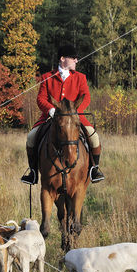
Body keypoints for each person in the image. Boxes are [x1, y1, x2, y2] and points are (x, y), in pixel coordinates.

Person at [21, 44, 105, 185]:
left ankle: (94, 170)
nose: (76, 61)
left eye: (76, 58)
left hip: (76, 118)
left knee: (94, 138)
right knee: (31, 138)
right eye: (73, 58)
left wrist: (75, 112)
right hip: (50, 118)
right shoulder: (47, 77)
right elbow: (40, 99)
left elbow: (86, 97)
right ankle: (33, 172)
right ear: (62, 59)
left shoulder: (81, 77)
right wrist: (51, 110)